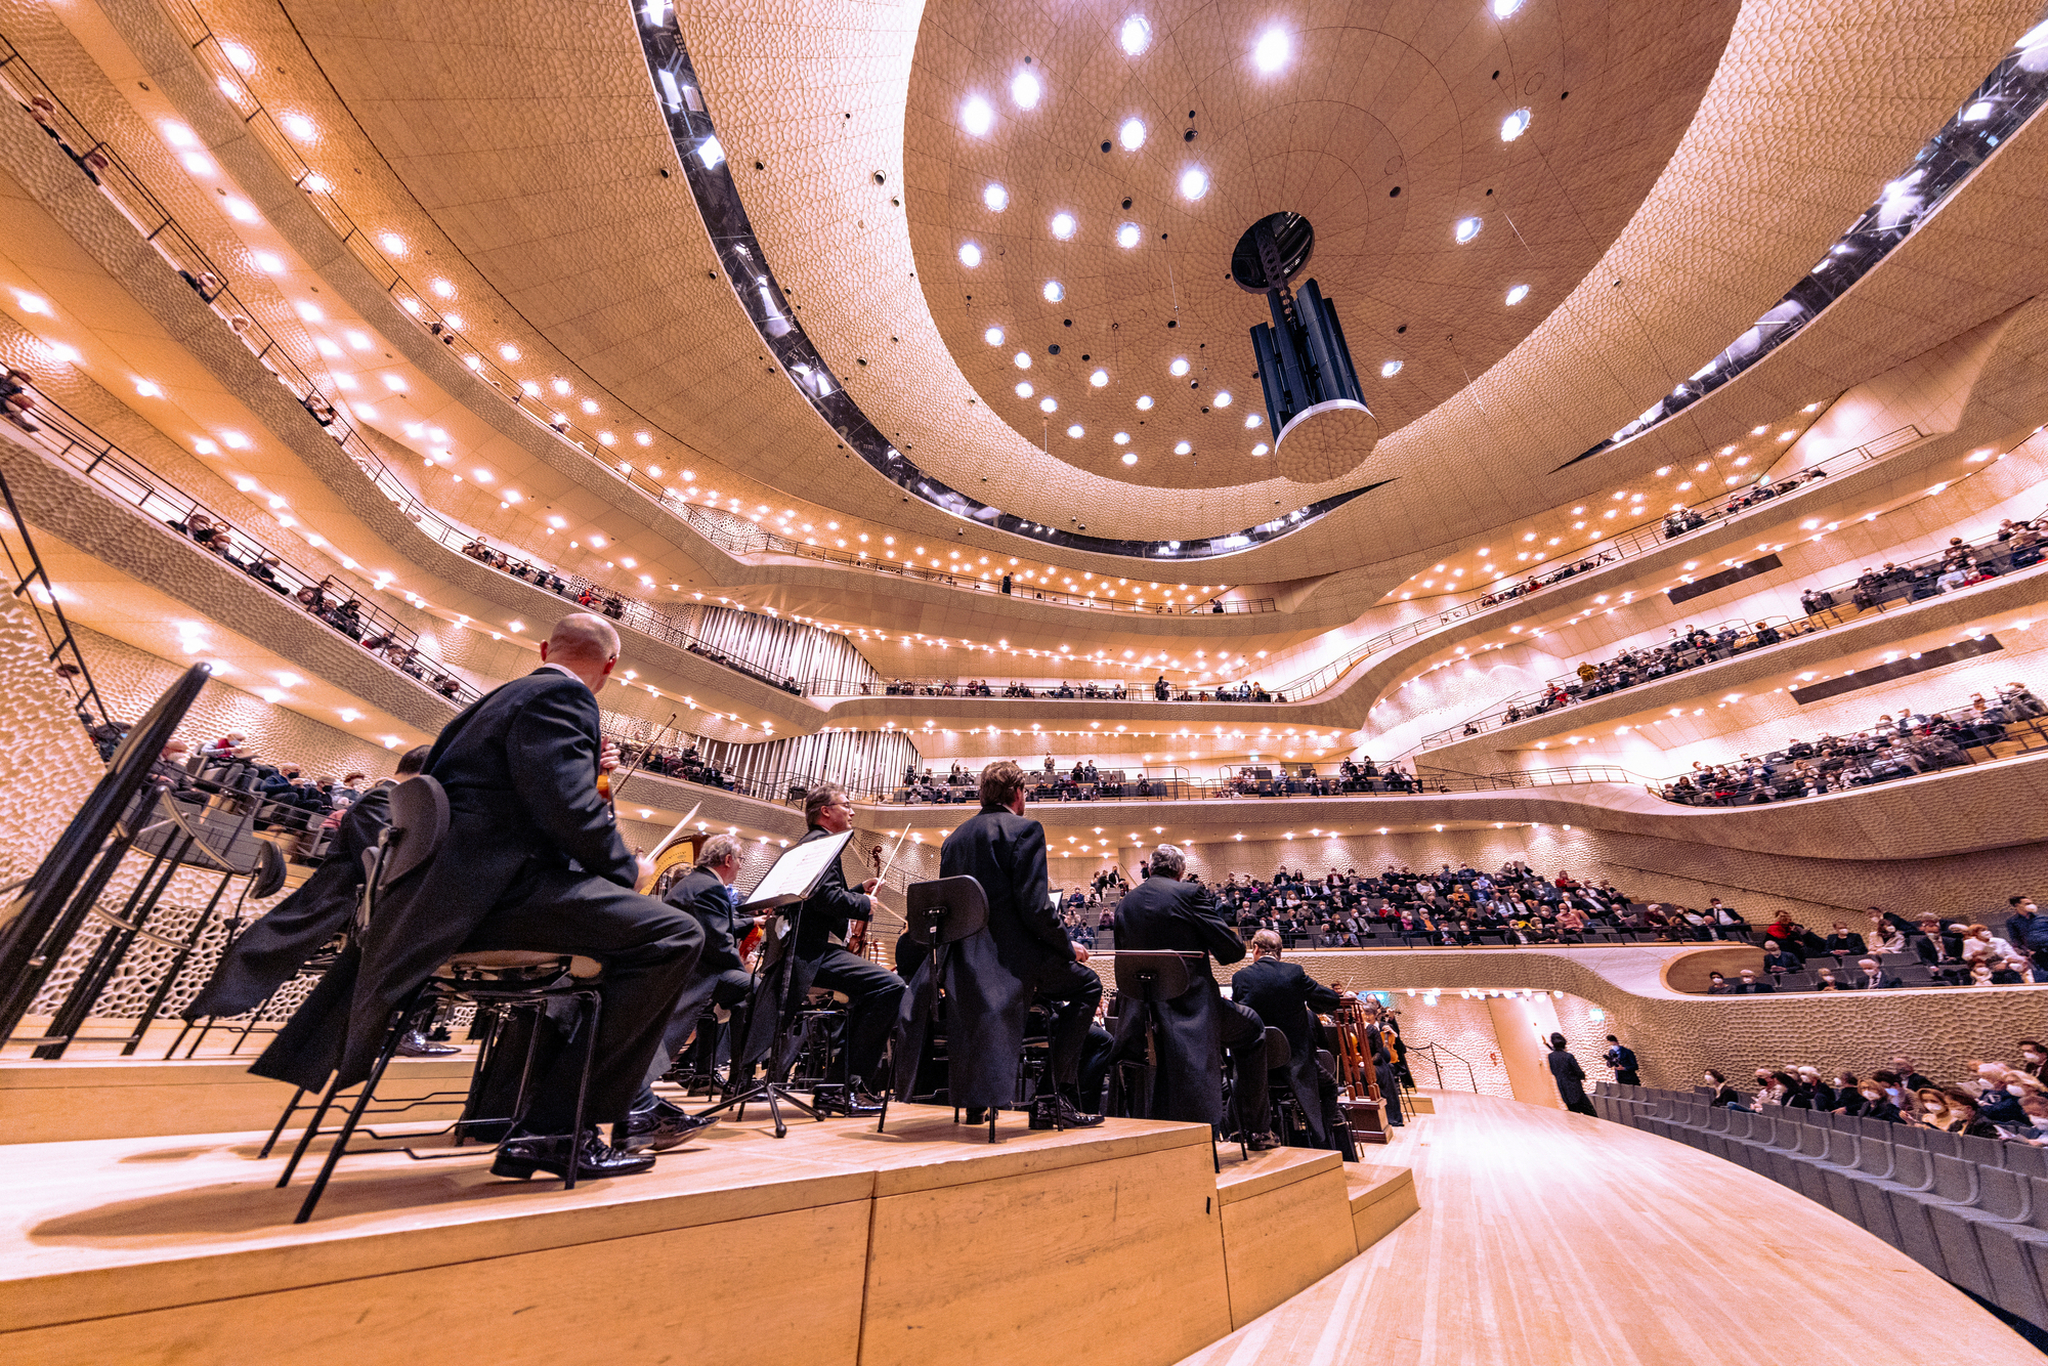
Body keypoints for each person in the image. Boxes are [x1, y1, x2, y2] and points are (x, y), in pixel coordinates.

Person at [254, 614, 705, 1183]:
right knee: (674, 934)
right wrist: (627, 868)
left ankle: (533, 1113)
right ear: (610, 667)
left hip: (437, 902)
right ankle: (558, 1130)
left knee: (628, 940)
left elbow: (525, 801)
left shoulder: (493, 702)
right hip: (487, 900)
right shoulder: (563, 697)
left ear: (545, 646)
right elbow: (568, 809)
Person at [900, 760, 1102, 1129]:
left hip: (962, 966)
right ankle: (1049, 1097)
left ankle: (979, 1102)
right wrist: (1066, 946)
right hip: (1011, 964)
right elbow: (1036, 907)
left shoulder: (954, 839)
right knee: (1089, 985)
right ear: (1018, 793)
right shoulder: (1025, 830)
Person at [183, 747, 435, 1035]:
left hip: (357, 899)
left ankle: (388, 1028)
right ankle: (384, 1031)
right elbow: (380, 855)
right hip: (340, 898)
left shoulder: (390, 798)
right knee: (417, 938)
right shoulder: (384, 796)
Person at [743, 783, 904, 1110]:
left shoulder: (810, 845)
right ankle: (839, 1087)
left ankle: (840, 1085)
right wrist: (863, 903)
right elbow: (824, 897)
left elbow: (820, 896)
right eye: (846, 805)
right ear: (826, 811)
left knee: (874, 991)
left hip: (805, 946)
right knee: (891, 987)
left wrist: (859, 889)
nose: (852, 811)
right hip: (811, 951)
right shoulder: (822, 845)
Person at [1112, 844, 1277, 1148]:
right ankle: (1253, 1129)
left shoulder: (1126, 903)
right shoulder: (1189, 894)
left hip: (1140, 1016)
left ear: (1149, 869)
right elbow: (1232, 951)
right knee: (1253, 1029)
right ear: (1180, 871)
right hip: (1190, 1012)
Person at [629, 834, 760, 1144]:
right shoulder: (711, 888)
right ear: (728, 860)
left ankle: (706, 1071)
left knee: (747, 992)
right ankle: (739, 1081)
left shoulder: (697, 883)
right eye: (740, 861)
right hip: (699, 975)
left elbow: (718, 924)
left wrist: (753, 920)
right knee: (758, 990)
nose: (740, 867)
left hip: (694, 968)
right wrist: (743, 969)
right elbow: (718, 943)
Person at [1230, 930, 1351, 1149]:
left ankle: (1257, 1133)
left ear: (1255, 949)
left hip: (1256, 1066)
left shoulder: (1241, 977)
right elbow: (1330, 999)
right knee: (1330, 1086)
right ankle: (1322, 1136)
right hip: (1296, 1064)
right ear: (1280, 952)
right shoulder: (1294, 973)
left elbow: (1239, 1017)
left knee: (1244, 1076)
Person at [1547, 1033, 1596, 1116]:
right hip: (1576, 1090)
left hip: (1564, 1090)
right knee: (1591, 1115)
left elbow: (1553, 1072)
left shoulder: (1551, 1057)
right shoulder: (1568, 1056)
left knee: (1574, 1116)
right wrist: (1582, 1076)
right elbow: (1578, 1072)